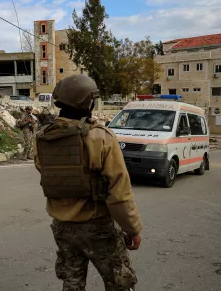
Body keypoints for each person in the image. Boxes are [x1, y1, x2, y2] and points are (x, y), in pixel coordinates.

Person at [34, 74, 143, 291]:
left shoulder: (43, 137)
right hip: (97, 226)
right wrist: (132, 229)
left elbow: (45, 172)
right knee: (120, 283)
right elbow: (119, 193)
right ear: (88, 103)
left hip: (62, 227)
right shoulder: (101, 137)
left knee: (72, 284)